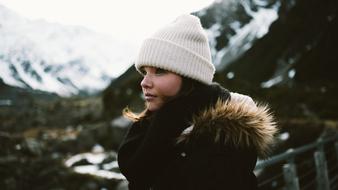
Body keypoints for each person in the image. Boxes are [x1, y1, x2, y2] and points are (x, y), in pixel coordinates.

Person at [117, 14, 278, 190]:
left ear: (189, 76)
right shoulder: (155, 124)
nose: (144, 82)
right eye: (144, 72)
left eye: (159, 71)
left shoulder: (221, 145)